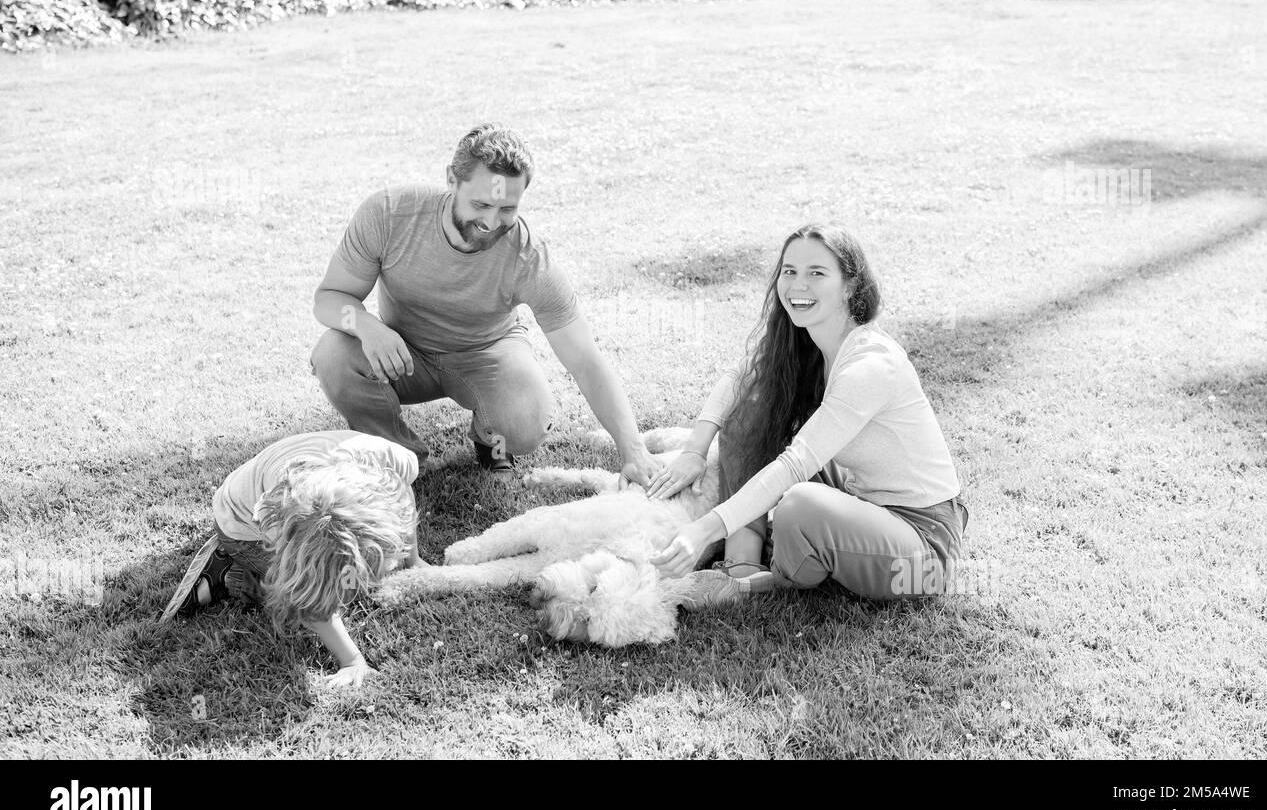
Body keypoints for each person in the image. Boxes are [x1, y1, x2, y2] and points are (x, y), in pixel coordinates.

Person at [310, 123, 661, 485]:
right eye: (480, 204)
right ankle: (402, 457)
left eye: (507, 208)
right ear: (452, 180)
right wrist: (366, 326)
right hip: (403, 352)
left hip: (487, 352)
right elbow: (330, 298)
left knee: (525, 423)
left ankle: (489, 441)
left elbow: (586, 360)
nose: (491, 223)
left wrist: (633, 451)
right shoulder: (388, 214)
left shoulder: (529, 258)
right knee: (334, 354)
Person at [648, 223, 968, 603]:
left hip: (922, 556)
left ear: (849, 285)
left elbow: (797, 464)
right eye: (790, 271)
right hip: (864, 503)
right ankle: (742, 560)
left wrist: (700, 531)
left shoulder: (870, 364)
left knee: (800, 504)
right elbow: (739, 380)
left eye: (816, 273)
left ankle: (761, 582)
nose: (798, 285)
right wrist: (693, 451)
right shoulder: (809, 341)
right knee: (751, 413)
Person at [160, 430, 429, 688]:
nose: (377, 577)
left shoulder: (389, 461)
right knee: (294, 590)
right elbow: (306, 591)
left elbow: (403, 498)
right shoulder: (281, 517)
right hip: (241, 523)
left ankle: (246, 570)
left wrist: (413, 560)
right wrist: (352, 660)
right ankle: (234, 572)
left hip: (294, 483)